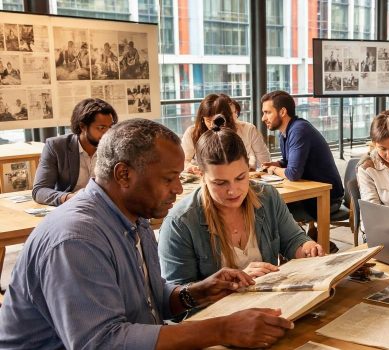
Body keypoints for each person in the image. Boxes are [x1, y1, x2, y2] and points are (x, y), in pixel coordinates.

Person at [0, 119, 294, 349]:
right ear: (124, 175)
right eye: (169, 179)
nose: (178, 189)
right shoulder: (76, 239)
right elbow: (101, 343)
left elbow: (149, 301)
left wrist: (198, 291)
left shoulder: (135, 216)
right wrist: (222, 329)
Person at [159, 116, 322, 285]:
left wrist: (306, 248)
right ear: (201, 175)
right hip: (219, 311)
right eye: (220, 183)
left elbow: (292, 240)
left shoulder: (267, 197)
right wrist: (233, 282)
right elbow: (178, 298)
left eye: (241, 177)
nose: (233, 190)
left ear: (248, 168)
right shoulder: (180, 223)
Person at [260, 90, 344, 251]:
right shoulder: (285, 132)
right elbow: (287, 162)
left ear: (282, 112)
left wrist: (272, 170)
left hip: (327, 198)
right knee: (273, 206)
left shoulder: (299, 130)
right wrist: (275, 164)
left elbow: (293, 173)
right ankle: (304, 245)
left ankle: (311, 246)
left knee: (274, 209)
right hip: (310, 195)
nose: (264, 118)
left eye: (267, 112)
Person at [32, 98, 117, 206]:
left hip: (105, 208)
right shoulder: (57, 147)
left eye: (110, 127)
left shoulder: (114, 147)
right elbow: (39, 191)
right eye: (101, 128)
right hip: (72, 208)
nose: (107, 133)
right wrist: (70, 198)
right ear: (82, 126)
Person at [182, 93, 270, 171]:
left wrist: (250, 167)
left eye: (217, 120)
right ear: (202, 119)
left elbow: (264, 161)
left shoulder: (248, 129)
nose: (212, 125)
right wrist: (191, 167)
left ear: (227, 117)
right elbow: (183, 161)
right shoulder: (192, 132)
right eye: (208, 120)